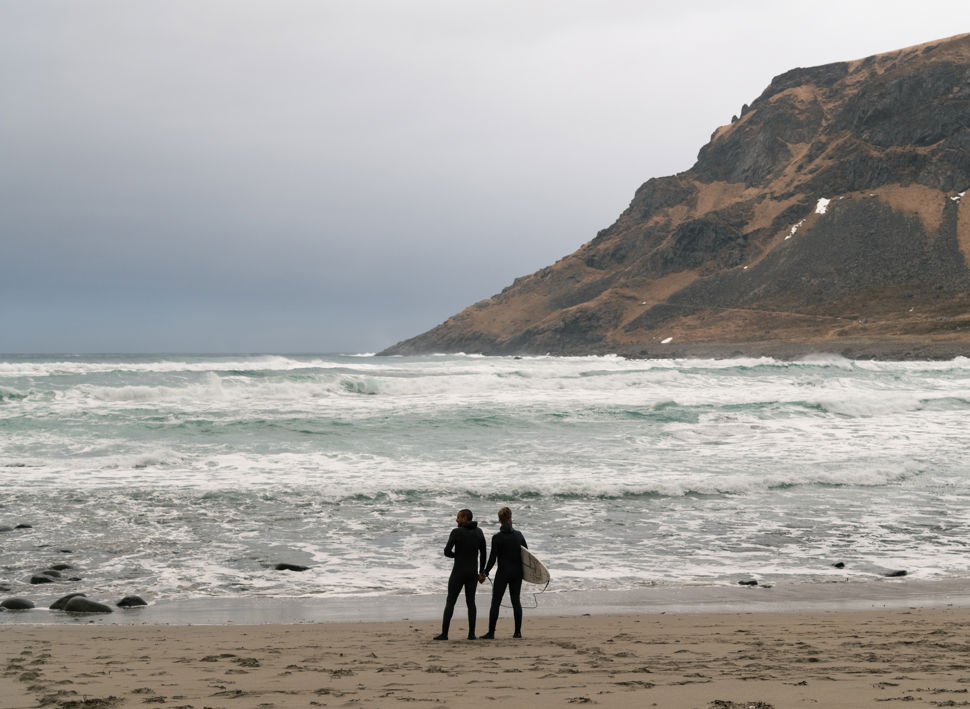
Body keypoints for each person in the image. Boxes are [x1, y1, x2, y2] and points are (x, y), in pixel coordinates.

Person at [434, 508, 486, 640]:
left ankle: (445, 634)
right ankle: (471, 634)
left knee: (450, 602)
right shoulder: (479, 532)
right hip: (472, 573)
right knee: (471, 602)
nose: (456, 520)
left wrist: (457, 555)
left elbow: (447, 551)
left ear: (464, 518)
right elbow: (484, 554)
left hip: (458, 572)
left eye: (458, 517)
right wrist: (482, 572)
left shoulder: (456, 532)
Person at [479, 506, 527, 639]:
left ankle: (491, 633)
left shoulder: (497, 538)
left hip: (503, 573)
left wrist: (484, 573)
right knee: (516, 601)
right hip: (517, 573)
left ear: (499, 520)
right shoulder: (519, 535)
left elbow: (492, 558)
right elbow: (527, 555)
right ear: (510, 518)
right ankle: (517, 632)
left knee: (496, 602)